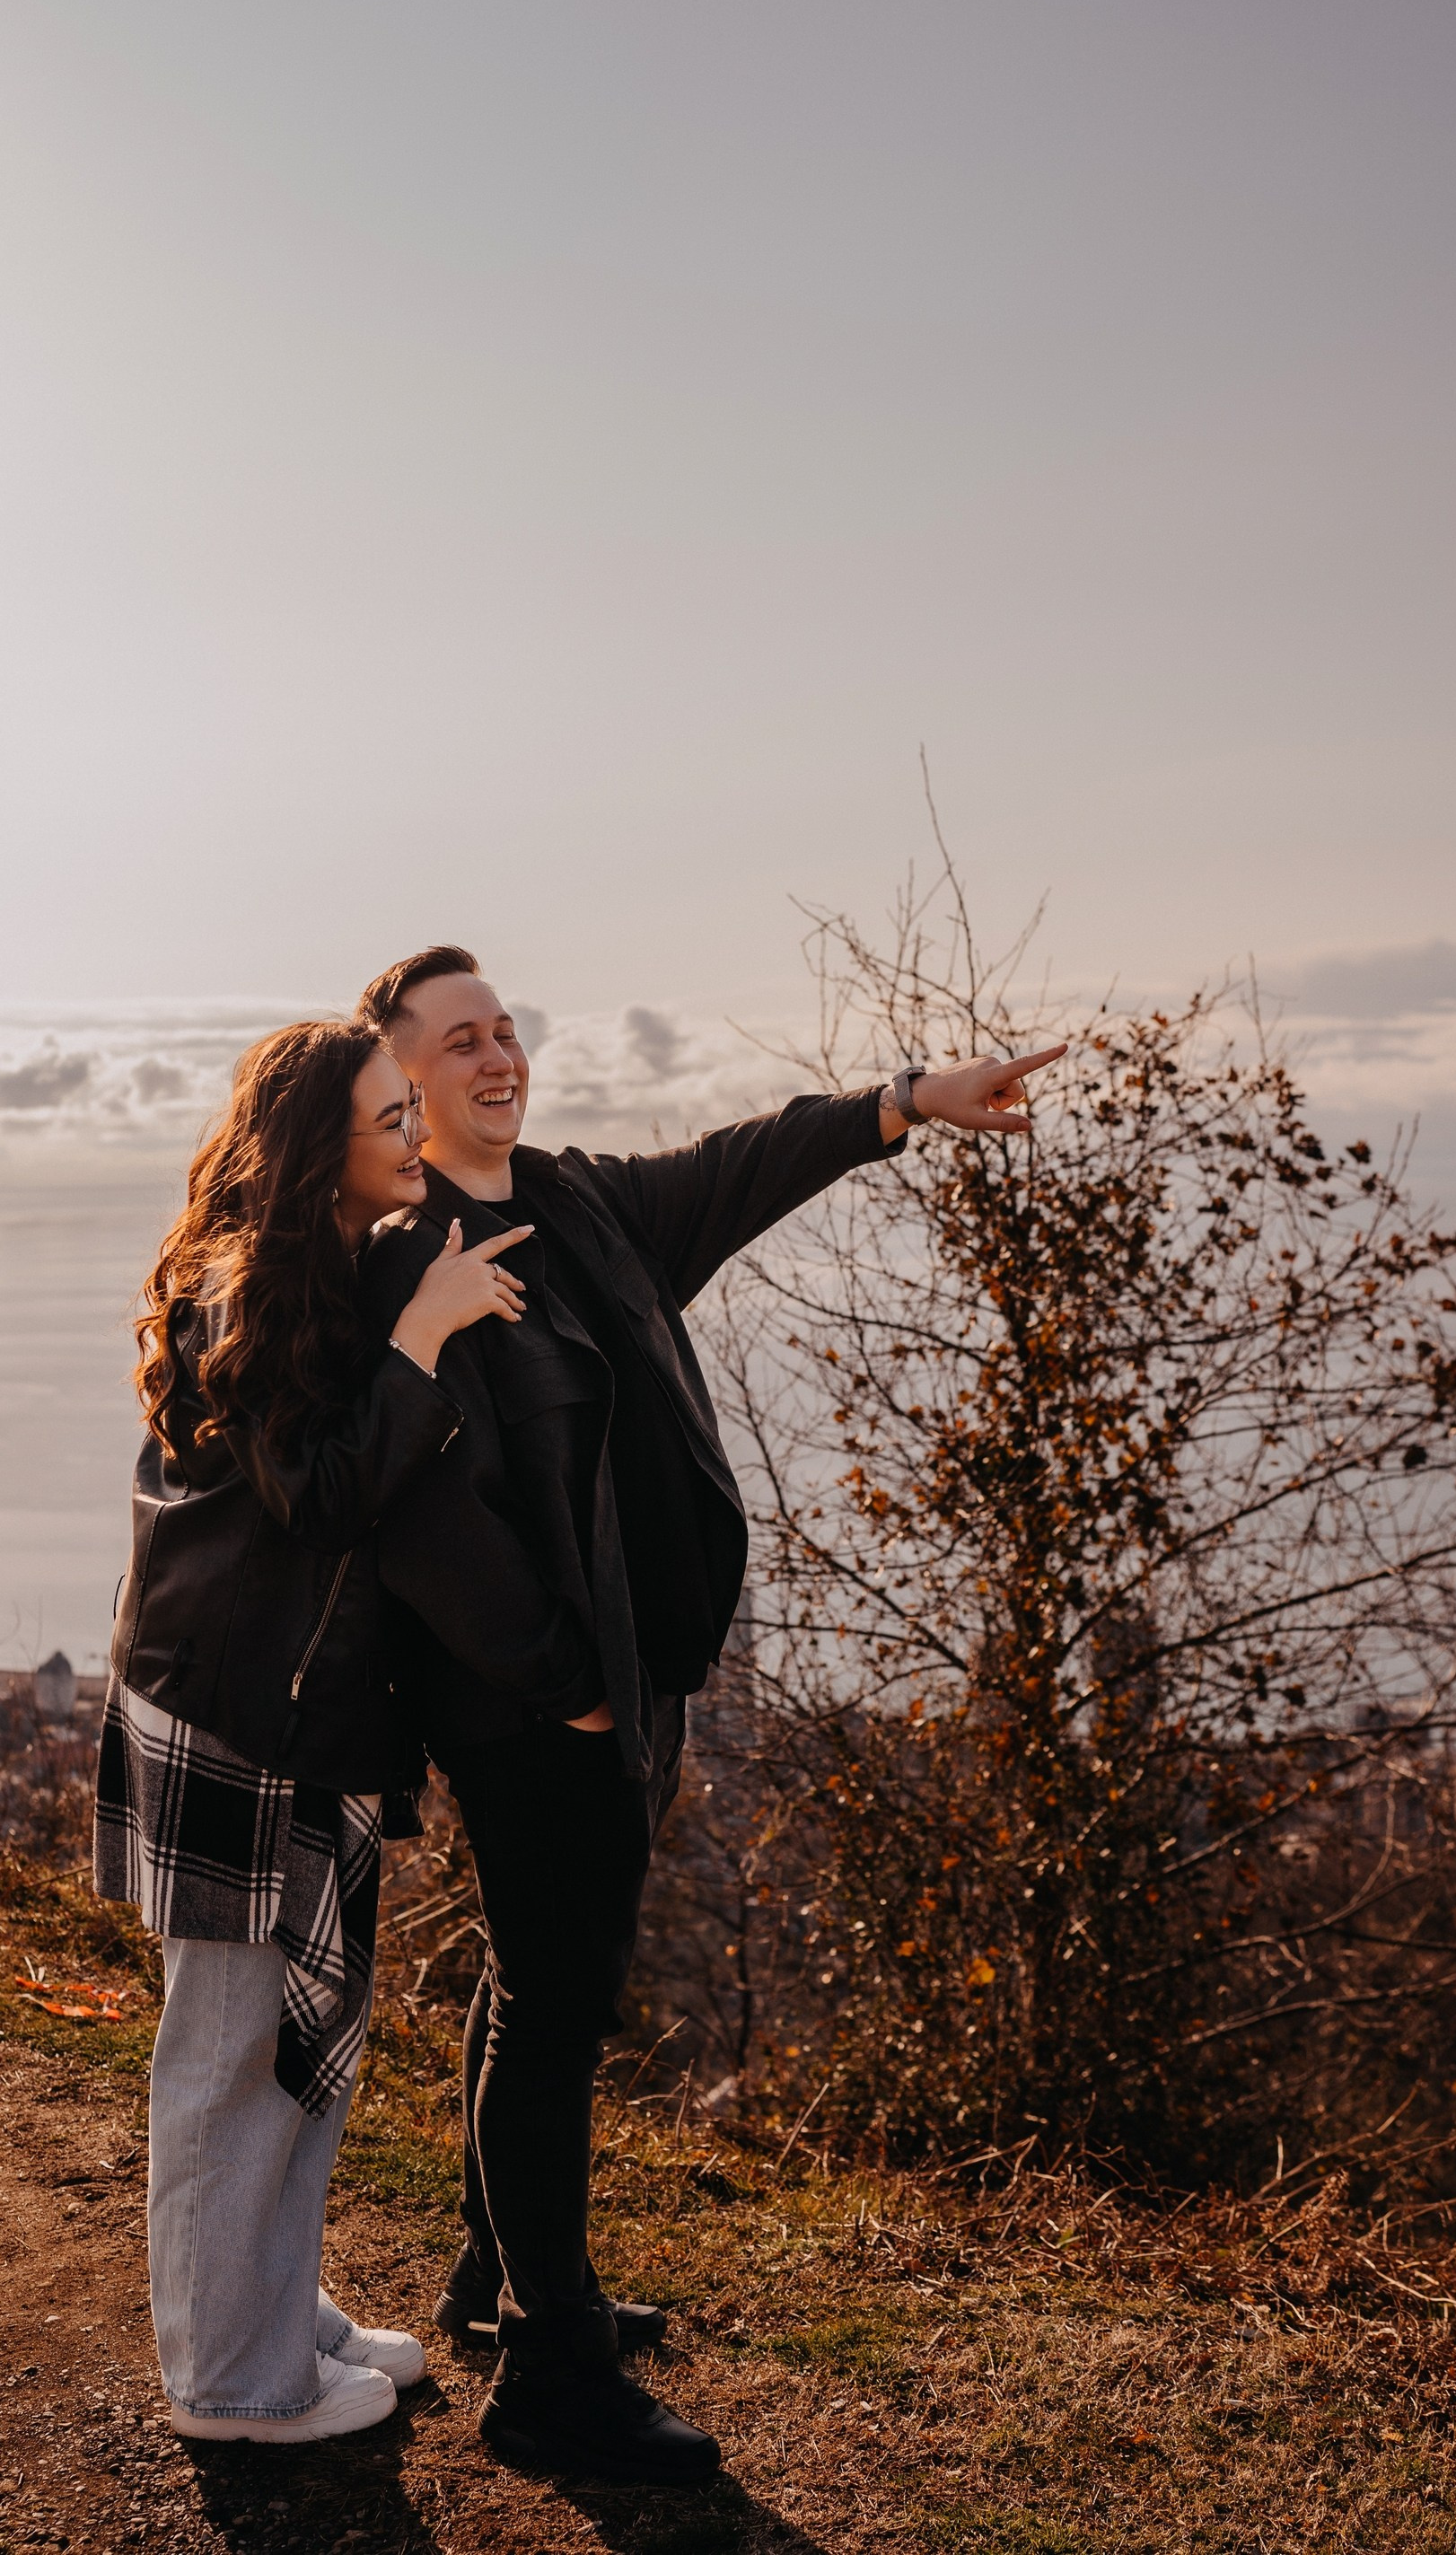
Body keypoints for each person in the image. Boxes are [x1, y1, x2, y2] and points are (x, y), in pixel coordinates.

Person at [356, 944, 1065, 2485]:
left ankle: (498, 2283)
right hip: (538, 1706)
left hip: (628, 1679)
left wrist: (906, 1103)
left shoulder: (582, 1201)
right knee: (559, 2012)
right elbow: (430, 1531)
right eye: (457, 1041)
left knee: (529, 1982)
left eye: (505, 1029)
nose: (495, 1057)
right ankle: (553, 2374)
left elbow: (743, 1164)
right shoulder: (404, 1262)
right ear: (402, 1079)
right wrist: (570, 1703)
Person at [93, 1016, 534, 2444]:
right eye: (391, 1120)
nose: (418, 1136)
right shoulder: (246, 1291)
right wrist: (421, 1336)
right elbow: (322, 1501)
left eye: (413, 1111)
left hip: (295, 1714)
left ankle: (269, 2300)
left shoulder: (316, 1264)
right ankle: (234, 2377)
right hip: (236, 1720)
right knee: (229, 2057)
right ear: (315, 1152)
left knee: (301, 2041)